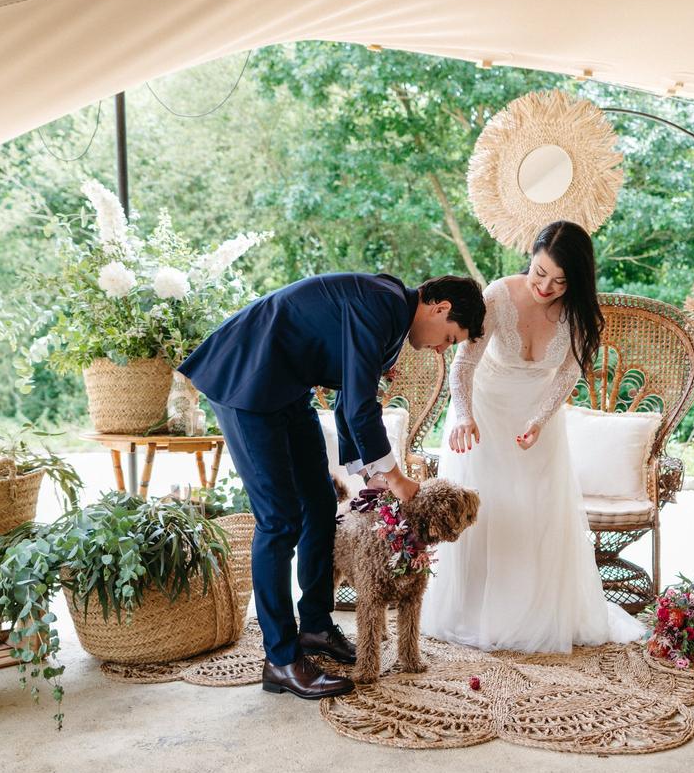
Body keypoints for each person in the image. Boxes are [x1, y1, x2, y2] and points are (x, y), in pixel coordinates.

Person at [180, 272, 486, 699]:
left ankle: (317, 628)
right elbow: (360, 408)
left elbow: (348, 400)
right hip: (245, 377)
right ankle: (281, 659)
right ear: (441, 309)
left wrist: (369, 474)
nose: (441, 348)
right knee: (279, 521)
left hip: (286, 391)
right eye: (450, 338)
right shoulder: (381, 306)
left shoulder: (393, 317)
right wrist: (397, 480)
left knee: (321, 503)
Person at [421, 221, 647, 652]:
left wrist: (540, 420)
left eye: (559, 282)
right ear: (531, 257)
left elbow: (568, 372)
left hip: (536, 422)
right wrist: (464, 417)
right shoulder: (498, 297)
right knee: (486, 513)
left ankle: (530, 614)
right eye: (539, 273)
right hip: (483, 416)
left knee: (536, 513)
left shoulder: (577, 311)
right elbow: (463, 365)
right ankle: (474, 612)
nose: (545, 286)